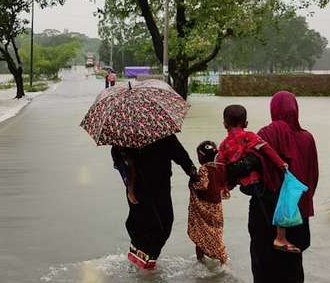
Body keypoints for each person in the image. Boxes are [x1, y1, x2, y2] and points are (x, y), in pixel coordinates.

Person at [231, 91, 319, 283]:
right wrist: (302, 203)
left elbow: (247, 174)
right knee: (291, 268)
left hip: (264, 214)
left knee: (263, 268)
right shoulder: (307, 139)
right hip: (296, 214)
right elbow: (312, 176)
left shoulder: (265, 135)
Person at [218, 105, 296, 253]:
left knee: (262, 215)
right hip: (258, 183)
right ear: (246, 123)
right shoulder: (249, 136)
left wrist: (224, 187)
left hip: (245, 185)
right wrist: (281, 164)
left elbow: (222, 167)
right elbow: (267, 149)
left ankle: (272, 242)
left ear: (224, 124)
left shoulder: (223, 145)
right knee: (276, 207)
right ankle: (280, 238)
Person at [112, 135, 197, 270]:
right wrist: (192, 172)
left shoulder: (123, 137)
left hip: (137, 189)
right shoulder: (161, 133)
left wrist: (130, 188)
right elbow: (179, 153)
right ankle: (148, 260)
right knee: (162, 223)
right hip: (154, 187)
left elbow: (122, 163)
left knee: (142, 223)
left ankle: (140, 257)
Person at [187, 141, 230, 265]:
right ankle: (222, 260)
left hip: (204, 208)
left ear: (201, 157)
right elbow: (224, 186)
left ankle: (200, 261)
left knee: (199, 234)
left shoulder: (204, 169)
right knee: (216, 233)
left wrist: (193, 180)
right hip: (217, 208)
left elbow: (202, 185)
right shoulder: (219, 168)